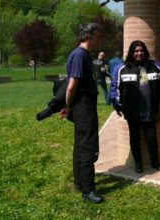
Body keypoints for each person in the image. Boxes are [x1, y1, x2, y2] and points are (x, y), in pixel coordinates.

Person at [60, 23, 104, 203]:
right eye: (97, 36)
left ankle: (79, 182)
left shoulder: (84, 55)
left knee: (80, 143)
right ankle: (88, 190)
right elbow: (71, 85)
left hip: (84, 104)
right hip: (83, 105)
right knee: (87, 146)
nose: (99, 39)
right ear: (89, 36)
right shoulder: (79, 55)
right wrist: (68, 106)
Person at [110, 40, 160, 173]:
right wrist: (118, 105)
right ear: (131, 52)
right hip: (132, 110)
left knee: (151, 137)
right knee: (134, 137)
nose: (139, 53)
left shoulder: (155, 66)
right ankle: (138, 163)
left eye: (141, 50)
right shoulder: (121, 69)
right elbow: (115, 88)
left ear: (145, 52)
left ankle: (155, 162)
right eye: (136, 51)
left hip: (150, 109)